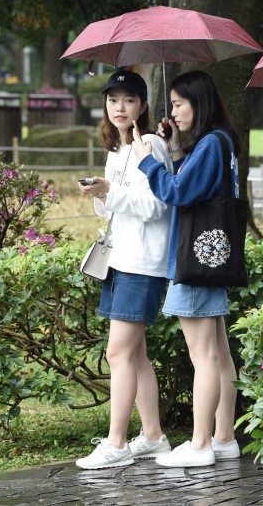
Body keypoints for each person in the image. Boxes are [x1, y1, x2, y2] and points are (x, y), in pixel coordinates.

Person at [132, 70, 241, 468]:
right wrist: (176, 150)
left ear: (199, 102)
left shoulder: (211, 144)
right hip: (211, 256)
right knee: (220, 355)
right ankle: (224, 438)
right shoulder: (221, 142)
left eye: (179, 104)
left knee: (205, 358)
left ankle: (200, 445)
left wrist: (149, 162)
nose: (173, 111)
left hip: (194, 261)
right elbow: (193, 185)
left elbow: (176, 192)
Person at [75, 69, 175, 470]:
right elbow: (113, 206)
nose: (120, 107)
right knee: (135, 357)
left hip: (142, 262)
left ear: (143, 107)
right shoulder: (116, 148)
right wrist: (101, 192)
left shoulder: (148, 143)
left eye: (129, 100)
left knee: (118, 353)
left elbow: (157, 206)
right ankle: (153, 436)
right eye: (113, 99)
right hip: (120, 257)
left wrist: (110, 192)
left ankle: (116, 444)